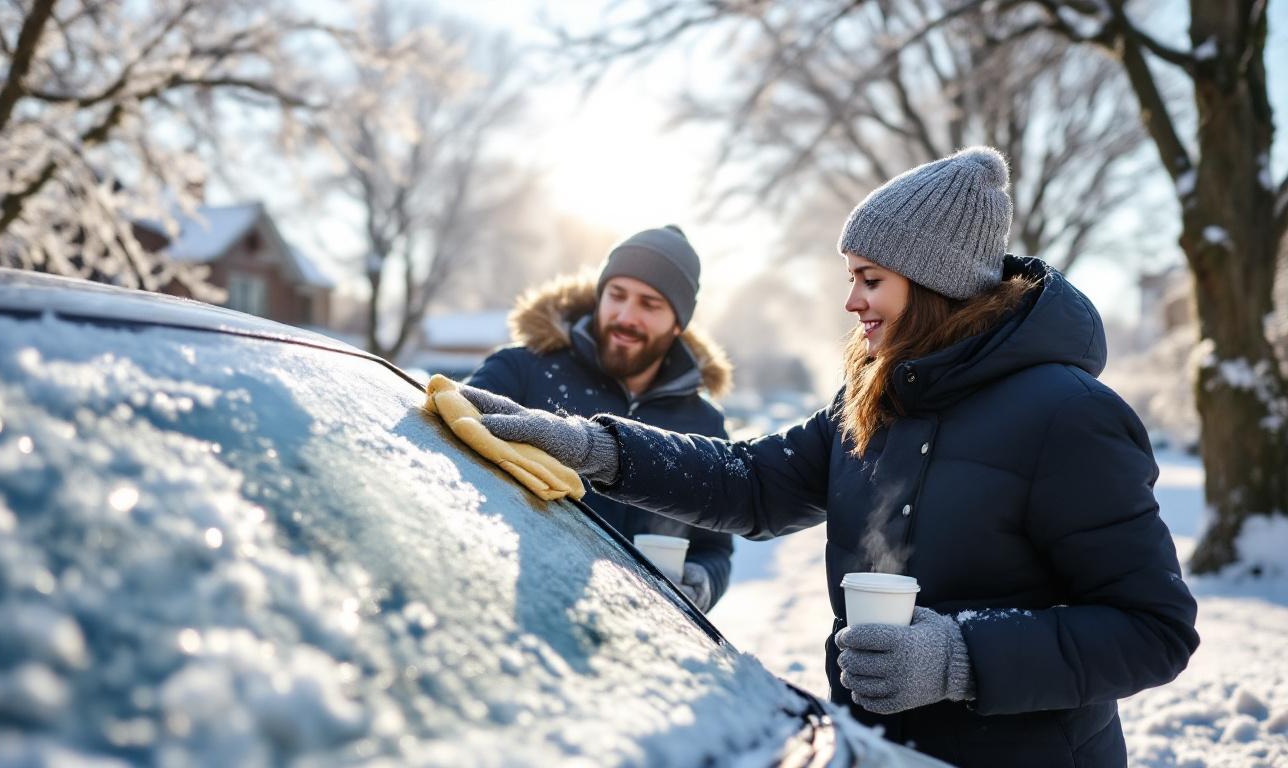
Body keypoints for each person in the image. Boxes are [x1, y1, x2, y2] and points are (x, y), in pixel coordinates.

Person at [455, 148, 1199, 767]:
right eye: (852, 278)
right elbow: (750, 483)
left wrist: (962, 658)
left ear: (935, 283)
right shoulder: (870, 401)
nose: (852, 302)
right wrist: (597, 447)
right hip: (872, 751)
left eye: (870, 279)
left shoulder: (1069, 416)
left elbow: (1153, 627)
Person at [466, 225, 735, 612]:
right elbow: (448, 453)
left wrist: (703, 581)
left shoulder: (704, 425)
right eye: (617, 295)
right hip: (511, 603)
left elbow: (714, 547)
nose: (626, 316)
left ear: (679, 323)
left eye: (650, 304)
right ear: (599, 294)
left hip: (634, 635)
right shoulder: (520, 371)